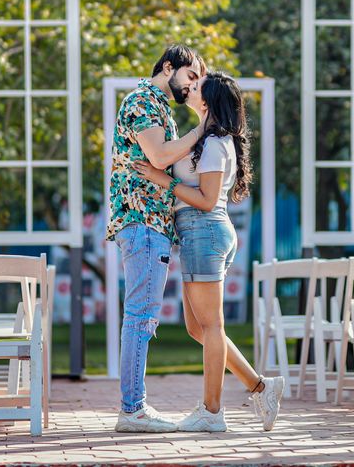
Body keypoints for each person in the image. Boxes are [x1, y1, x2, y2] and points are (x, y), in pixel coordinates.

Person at [135, 71, 284, 433]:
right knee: (197, 328)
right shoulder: (203, 139)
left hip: (205, 231)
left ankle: (212, 411)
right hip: (196, 234)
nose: (191, 87)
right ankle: (260, 387)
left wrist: (164, 181)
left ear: (208, 101)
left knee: (212, 326)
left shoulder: (217, 144)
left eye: (198, 86)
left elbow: (205, 201)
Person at [108, 45, 207, 433]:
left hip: (150, 225)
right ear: (169, 67)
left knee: (141, 315)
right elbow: (160, 156)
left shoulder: (158, 107)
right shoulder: (142, 101)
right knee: (141, 316)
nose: (193, 85)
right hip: (143, 222)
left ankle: (133, 407)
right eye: (191, 75)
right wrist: (203, 129)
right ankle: (132, 410)